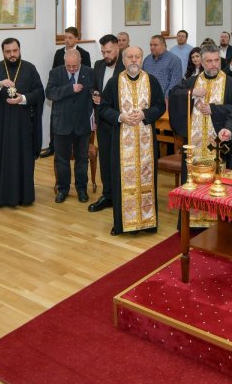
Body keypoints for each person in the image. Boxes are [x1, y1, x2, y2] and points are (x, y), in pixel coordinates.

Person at [167, 44, 232, 226]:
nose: (213, 64)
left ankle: (219, 221)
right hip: (195, 146)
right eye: (209, 61)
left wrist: (214, 109)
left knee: (219, 178)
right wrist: (191, 93)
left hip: (219, 145)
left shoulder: (230, 83)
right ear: (201, 61)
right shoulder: (193, 81)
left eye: (216, 60)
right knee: (193, 179)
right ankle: (192, 222)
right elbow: (174, 93)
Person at [99, 46, 164, 235]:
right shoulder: (114, 82)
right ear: (124, 59)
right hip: (121, 142)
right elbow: (103, 108)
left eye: (137, 57)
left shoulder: (151, 81)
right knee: (122, 181)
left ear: (142, 59)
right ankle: (122, 224)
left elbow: (159, 106)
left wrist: (145, 114)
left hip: (146, 142)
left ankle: (148, 222)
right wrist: (120, 117)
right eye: (130, 57)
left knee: (147, 180)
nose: (134, 60)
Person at [0, 37, 44, 208]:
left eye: (15, 51)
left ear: (20, 50)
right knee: (1, 161)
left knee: (23, 161)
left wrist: (22, 98)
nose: (12, 54)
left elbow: (39, 92)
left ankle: (24, 197)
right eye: (8, 52)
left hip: (24, 126)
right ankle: (0, 198)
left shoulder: (30, 69)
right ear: (3, 52)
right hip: (0, 127)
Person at [45, 49, 94, 204]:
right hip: (62, 124)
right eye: (69, 66)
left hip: (82, 123)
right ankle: (63, 189)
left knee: (82, 159)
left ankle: (81, 189)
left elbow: (94, 91)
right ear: (64, 63)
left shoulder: (90, 72)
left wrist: (96, 96)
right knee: (61, 160)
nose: (72, 69)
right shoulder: (55, 73)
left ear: (80, 62)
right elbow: (49, 93)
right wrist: (69, 89)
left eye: (75, 66)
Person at [88, 34, 125, 213]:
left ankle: (122, 195)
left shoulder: (126, 65)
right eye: (103, 52)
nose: (106, 55)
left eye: (109, 51)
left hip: (121, 121)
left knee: (121, 159)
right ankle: (108, 194)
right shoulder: (98, 65)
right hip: (103, 120)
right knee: (105, 160)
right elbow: (94, 87)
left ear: (117, 48)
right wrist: (94, 95)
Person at [141, 34, 184, 100]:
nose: (152, 47)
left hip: (166, 100)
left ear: (164, 45)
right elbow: (142, 78)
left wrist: (166, 97)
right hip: (148, 98)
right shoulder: (147, 60)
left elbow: (175, 82)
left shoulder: (174, 60)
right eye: (151, 45)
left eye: (155, 45)